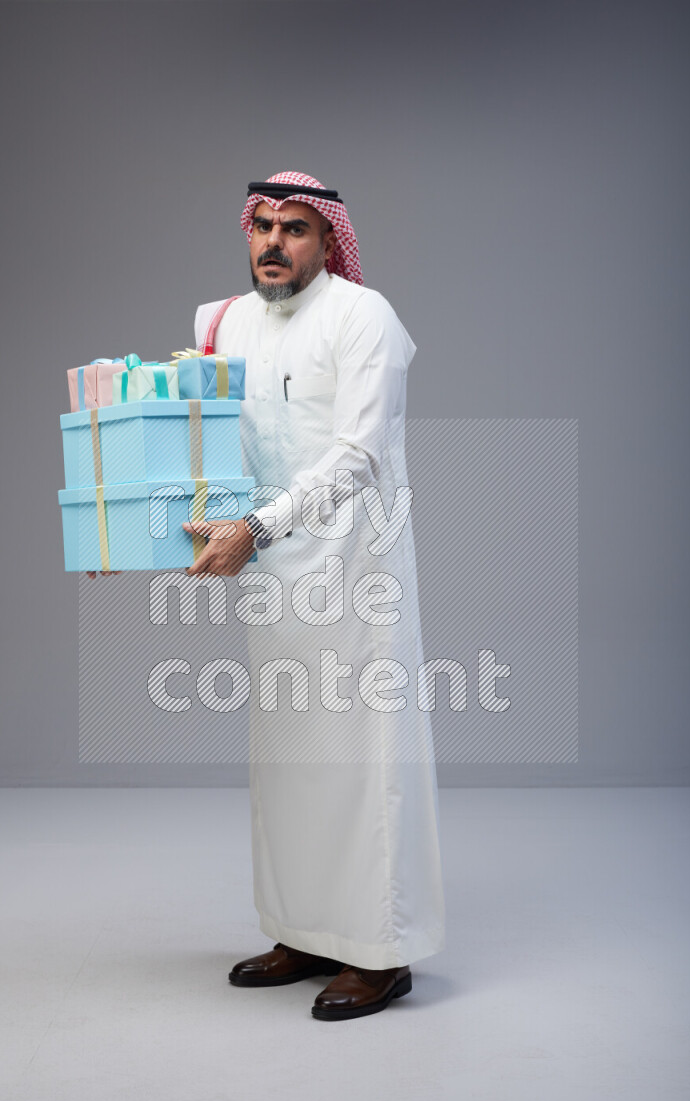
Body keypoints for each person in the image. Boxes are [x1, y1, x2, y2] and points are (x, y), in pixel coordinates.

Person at [183, 171, 445, 1021]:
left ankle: (380, 953)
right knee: (289, 758)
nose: (273, 242)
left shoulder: (364, 318)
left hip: (354, 570)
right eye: (262, 225)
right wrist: (140, 536)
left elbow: (360, 454)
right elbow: (206, 450)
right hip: (268, 573)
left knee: (364, 764)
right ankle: (303, 931)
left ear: (329, 241)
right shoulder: (219, 323)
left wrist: (257, 528)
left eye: (295, 228)